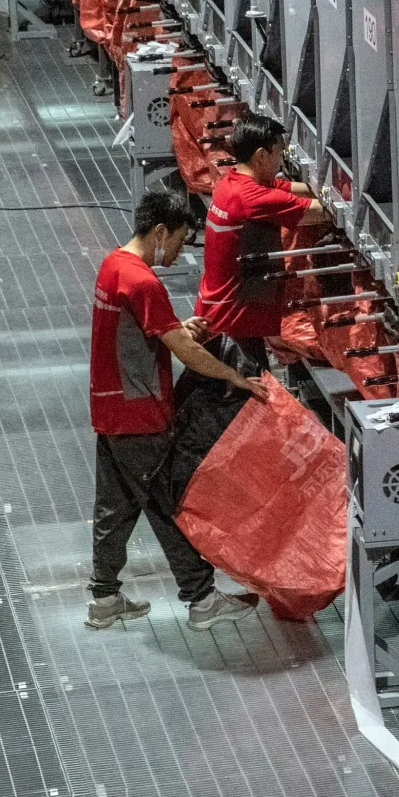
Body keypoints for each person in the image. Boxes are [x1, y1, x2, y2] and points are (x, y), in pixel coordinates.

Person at [89, 189, 268, 631]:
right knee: (168, 506)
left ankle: (104, 599)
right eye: (179, 240)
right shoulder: (144, 281)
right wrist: (234, 377)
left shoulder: (114, 265)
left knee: (114, 509)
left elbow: (145, 332)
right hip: (141, 416)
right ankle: (202, 599)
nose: (178, 251)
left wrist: (177, 328)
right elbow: (184, 353)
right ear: (160, 231)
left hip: (110, 410)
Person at [194, 112, 327, 374]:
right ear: (261, 155)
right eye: (279, 153)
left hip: (219, 311)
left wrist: (319, 185)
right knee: (248, 396)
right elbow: (319, 212)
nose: (281, 160)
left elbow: (284, 187)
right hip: (235, 325)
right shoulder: (252, 198)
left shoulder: (230, 182)